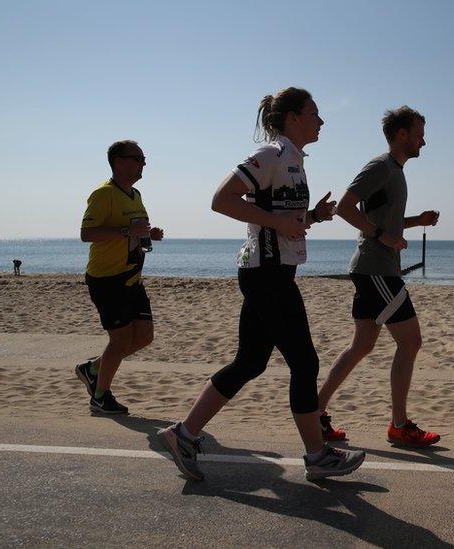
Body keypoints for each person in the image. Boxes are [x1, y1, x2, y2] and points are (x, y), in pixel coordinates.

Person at [155, 88, 365, 482]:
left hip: (270, 273)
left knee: (250, 362)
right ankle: (317, 457)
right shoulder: (271, 155)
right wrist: (280, 223)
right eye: (314, 113)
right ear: (291, 118)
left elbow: (283, 219)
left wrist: (313, 217)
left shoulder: (294, 161)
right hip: (265, 275)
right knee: (304, 362)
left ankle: (183, 435)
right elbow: (222, 199)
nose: (321, 121)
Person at [314, 106, 441, 447]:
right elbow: (344, 207)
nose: (423, 142)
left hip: (372, 269)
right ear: (402, 135)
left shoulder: (396, 171)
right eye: (419, 134)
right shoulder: (381, 167)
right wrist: (383, 237)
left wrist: (417, 221)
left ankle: (315, 413)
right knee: (410, 341)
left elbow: (383, 221)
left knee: (362, 345)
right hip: (377, 269)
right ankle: (399, 425)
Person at [75, 140, 164, 414]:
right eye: (138, 158)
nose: (143, 164)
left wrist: (150, 235)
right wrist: (128, 232)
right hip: (107, 279)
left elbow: (137, 231)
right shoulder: (103, 195)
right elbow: (86, 234)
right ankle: (100, 396)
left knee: (145, 337)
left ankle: (92, 369)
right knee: (120, 340)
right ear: (118, 161)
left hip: (131, 279)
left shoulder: (135, 194)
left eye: (143, 159)